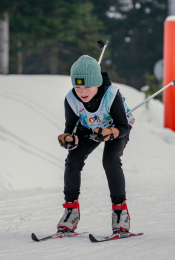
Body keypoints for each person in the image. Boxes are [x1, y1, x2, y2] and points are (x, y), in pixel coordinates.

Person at [57, 55, 135, 234]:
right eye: (77, 86)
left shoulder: (111, 95)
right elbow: (71, 128)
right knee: (72, 161)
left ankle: (120, 212)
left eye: (87, 87)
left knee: (110, 160)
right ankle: (71, 212)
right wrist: (69, 139)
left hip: (116, 128)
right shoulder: (71, 99)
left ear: (98, 84)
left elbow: (123, 126)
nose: (82, 92)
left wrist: (111, 132)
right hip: (89, 128)